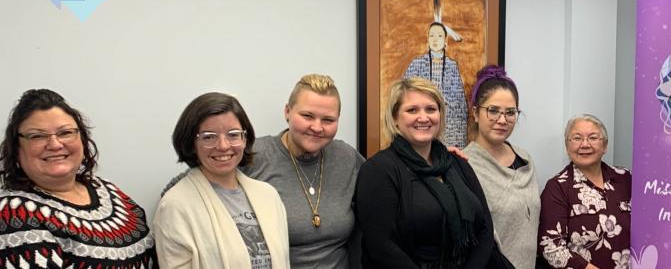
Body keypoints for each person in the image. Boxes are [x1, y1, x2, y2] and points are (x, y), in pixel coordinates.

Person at [356, 77, 504, 268]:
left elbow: (485, 227)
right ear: (395, 118)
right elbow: (381, 246)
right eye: (412, 110)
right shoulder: (378, 170)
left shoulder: (457, 163)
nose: (424, 117)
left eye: (431, 109)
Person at [0, 89, 157, 268]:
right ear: (16, 149)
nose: (55, 144)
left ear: (82, 139)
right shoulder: (14, 213)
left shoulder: (107, 190)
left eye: (65, 133)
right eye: (37, 136)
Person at [155, 92, 290, 268]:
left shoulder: (268, 196)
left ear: (245, 138)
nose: (223, 146)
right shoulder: (175, 206)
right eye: (209, 137)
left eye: (233, 134)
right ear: (191, 143)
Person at [245, 74, 365, 268]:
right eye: (307, 116)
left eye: (328, 120)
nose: (317, 127)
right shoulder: (254, 156)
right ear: (287, 112)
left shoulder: (347, 158)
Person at [463, 65, 540, 269]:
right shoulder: (465, 165)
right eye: (493, 111)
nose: (502, 120)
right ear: (475, 113)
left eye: (510, 112)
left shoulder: (526, 161)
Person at [538, 114, 631, 269]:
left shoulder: (626, 178)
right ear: (567, 146)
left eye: (593, 137)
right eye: (577, 138)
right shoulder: (557, 187)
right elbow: (551, 249)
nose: (585, 144)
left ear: (605, 145)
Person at [405, 21, 470, 148]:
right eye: (432, 35)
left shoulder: (451, 66)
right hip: (420, 119)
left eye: (439, 36)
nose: (435, 39)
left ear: (445, 41)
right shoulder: (416, 64)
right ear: (427, 39)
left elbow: (459, 102)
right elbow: (403, 95)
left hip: (447, 122)